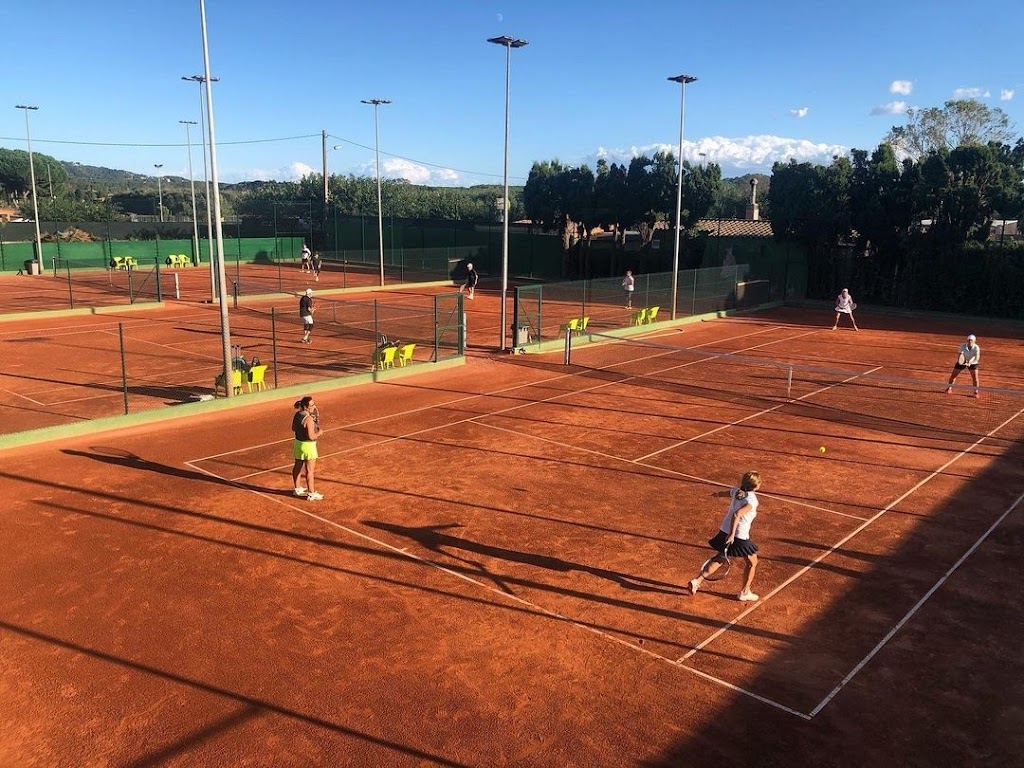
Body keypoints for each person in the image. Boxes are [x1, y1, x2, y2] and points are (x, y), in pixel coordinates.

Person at [687, 471, 763, 602]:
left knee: (721, 557)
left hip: (724, 530)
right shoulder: (752, 500)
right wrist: (732, 534)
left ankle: (697, 581)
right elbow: (737, 514)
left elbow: (727, 493)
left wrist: (717, 494)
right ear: (756, 486)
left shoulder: (737, 492)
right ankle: (745, 592)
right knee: (752, 563)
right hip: (738, 535)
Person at [291, 396, 323, 500]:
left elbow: (293, 428)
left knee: (297, 466)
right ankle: (311, 493)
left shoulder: (297, 415)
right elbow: (311, 436)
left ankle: (297, 489)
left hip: (298, 444)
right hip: (308, 446)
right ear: (306, 407)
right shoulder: (309, 419)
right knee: (309, 471)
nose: (314, 407)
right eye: (312, 405)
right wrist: (319, 433)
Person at [946, 334, 981, 398]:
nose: (970, 342)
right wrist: (963, 361)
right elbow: (960, 355)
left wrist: (970, 362)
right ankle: (949, 388)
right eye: (969, 340)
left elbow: (977, 358)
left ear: (974, 341)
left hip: (973, 363)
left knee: (975, 378)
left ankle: (976, 392)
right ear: (967, 340)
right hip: (962, 361)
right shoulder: (962, 346)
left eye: (971, 341)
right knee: (953, 375)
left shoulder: (977, 348)